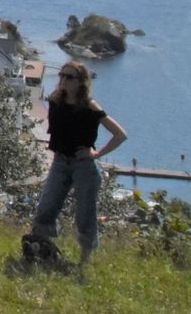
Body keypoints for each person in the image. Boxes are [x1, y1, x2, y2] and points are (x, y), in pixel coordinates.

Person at [27, 61, 127, 265]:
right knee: (46, 208)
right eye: (61, 75)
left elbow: (120, 134)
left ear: (81, 82)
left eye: (69, 77)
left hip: (83, 166)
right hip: (60, 162)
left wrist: (96, 154)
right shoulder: (55, 101)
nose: (63, 80)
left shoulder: (90, 106)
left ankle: (84, 262)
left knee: (85, 215)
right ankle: (40, 251)